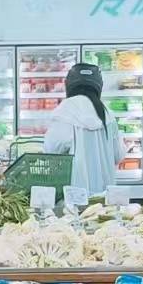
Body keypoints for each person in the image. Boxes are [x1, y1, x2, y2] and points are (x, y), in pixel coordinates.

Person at [42, 63, 124, 195]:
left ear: (69, 85)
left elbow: (51, 151)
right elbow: (118, 155)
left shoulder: (65, 111)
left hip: (73, 195)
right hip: (104, 196)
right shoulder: (107, 113)